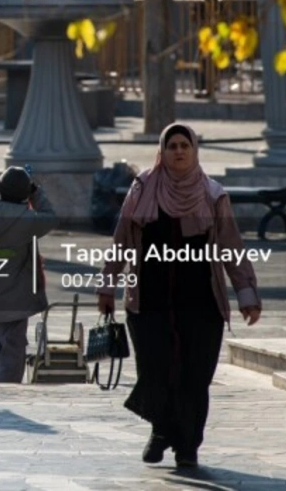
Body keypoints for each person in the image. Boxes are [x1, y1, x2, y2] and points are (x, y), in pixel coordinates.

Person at [98, 123, 262, 469]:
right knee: (155, 370)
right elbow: (122, 239)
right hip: (150, 300)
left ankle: (188, 445)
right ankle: (161, 431)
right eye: (171, 145)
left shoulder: (213, 193)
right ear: (162, 150)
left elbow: (232, 246)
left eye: (184, 145)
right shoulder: (143, 188)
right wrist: (107, 286)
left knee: (194, 375)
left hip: (201, 302)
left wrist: (246, 293)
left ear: (194, 149)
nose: (178, 151)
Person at [0, 167, 57, 384]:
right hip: (15, 299)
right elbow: (50, 218)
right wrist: (36, 192)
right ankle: (6, 395)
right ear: (25, 193)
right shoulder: (26, 220)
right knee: (12, 352)